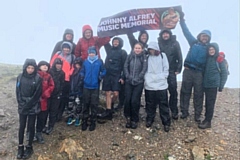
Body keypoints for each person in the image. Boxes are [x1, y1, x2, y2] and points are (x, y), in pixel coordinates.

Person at [179, 13, 211, 122]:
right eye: (203, 36)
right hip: (188, 71)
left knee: (198, 94)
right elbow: (186, 32)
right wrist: (182, 20)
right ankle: (184, 111)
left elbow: (215, 55)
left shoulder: (209, 48)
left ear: (209, 38)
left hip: (199, 73)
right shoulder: (193, 43)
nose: (204, 38)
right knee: (185, 91)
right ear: (199, 36)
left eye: (206, 37)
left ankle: (197, 114)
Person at [16, 59, 42, 159]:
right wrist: (21, 103)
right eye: (28, 68)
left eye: (32, 68)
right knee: (22, 126)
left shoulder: (38, 78)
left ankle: (29, 146)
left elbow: (37, 94)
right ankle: (20, 146)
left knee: (31, 127)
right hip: (22, 105)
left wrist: (29, 104)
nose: (30, 70)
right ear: (25, 67)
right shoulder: (20, 77)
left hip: (33, 106)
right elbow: (17, 92)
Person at [198, 43, 228, 129]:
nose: (211, 51)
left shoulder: (219, 60)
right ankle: (206, 119)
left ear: (216, 50)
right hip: (205, 84)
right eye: (210, 50)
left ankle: (208, 122)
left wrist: (221, 85)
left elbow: (224, 73)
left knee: (210, 104)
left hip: (213, 85)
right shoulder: (207, 58)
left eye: (213, 50)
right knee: (206, 103)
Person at [97, 37, 127, 120]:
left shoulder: (123, 52)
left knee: (116, 94)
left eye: (117, 41)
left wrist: (123, 76)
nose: (115, 43)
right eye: (114, 41)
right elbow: (105, 40)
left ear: (120, 43)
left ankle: (111, 105)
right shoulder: (109, 49)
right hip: (108, 74)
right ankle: (108, 111)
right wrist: (106, 33)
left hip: (117, 75)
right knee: (107, 93)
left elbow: (125, 66)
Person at [144, 42, 170, 132]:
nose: (151, 51)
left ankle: (166, 122)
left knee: (163, 104)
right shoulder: (147, 57)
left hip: (161, 84)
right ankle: (150, 119)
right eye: (149, 49)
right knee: (150, 103)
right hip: (149, 84)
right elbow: (145, 68)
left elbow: (166, 67)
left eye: (152, 49)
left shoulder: (163, 55)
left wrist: (163, 76)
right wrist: (146, 78)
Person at [158, 29, 183, 120]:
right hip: (160, 71)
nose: (165, 35)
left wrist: (178, 69)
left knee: (173, 91)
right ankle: (164, 110)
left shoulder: (175, 43)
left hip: (172, 70)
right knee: (162, 91)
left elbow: (179, 56)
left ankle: (174, 110)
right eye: (163, 34)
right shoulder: (159, 43)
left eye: (167, 34)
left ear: (169, 34)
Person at [80, 46, 106, 131]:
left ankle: (93, 121)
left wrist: (100, 76)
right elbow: (82, 71)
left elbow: (104, 70)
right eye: (90, 52)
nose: (91, 54)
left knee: (94, 104)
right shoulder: (85, 62)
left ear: (96, 53)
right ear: (88, 53)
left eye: (93, 53)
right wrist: (82, 77)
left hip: (95, 86)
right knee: (86, 104)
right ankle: (84, 121)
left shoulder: (99, 62)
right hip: (86, 86)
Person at [123, 43, 148, 129]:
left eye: (139, 48)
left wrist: (138, 78)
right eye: (136, 48)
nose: (137, 49)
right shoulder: (130, 56)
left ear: (142, 49)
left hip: (139, 82)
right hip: (129, 81)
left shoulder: (144, 57)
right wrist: (128, 76)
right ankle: (128, 117)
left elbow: (144, 69)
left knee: (135, 101)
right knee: (127, 100)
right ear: (133, 49)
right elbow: (125, 66)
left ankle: (135, 119)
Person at [50, 41, 75, 121]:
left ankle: (59, 114)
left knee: (63, 98)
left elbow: (73, 68)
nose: (66, 50)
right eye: (65, 48)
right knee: (55, 96)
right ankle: (53, 113)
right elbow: (52, 64)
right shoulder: (57, 54)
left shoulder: (72, 57)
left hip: (66, 80)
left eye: (68, 48)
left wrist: (68, 74)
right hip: (56, 78)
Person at [34, 61, 54, 143]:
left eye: (46, 65)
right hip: (34, 101)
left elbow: (52, 86)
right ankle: (30, 134)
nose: (45, 67)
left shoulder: (49, 76)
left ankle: (38, 133)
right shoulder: (35, 75)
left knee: (42, 118)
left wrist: (46, 93)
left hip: (44, 100)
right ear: (39, 67)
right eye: (43, 65)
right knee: (32, 118)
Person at [46, 58, 65, 135]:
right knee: (46, 111)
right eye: (57, 64)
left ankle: (51, 126)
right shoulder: (50, 72)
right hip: (48, 94)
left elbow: (62, 84)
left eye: (60, 64)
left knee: (53, 112)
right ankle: (44, 126)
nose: (58, 66)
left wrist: (60, 93)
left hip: (57, 95)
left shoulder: (62, 73)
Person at [67, 57, 84, 126]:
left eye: (79, 64)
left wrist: (79, 89)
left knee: (78, 105)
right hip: (72, 90)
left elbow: (82, 81)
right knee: (70, 104)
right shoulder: (72, 71)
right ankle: (71, 117)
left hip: (79, 91)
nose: (77, 66)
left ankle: (78, 118)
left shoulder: (82, 72)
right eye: (76, 64)